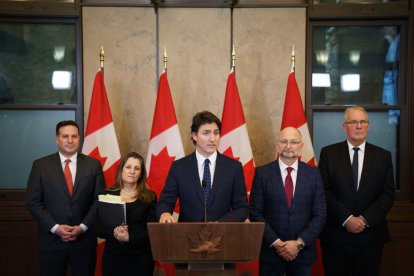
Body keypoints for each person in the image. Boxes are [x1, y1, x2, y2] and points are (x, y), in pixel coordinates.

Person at [319, 106, 395, 276]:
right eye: (353, 122)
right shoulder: (328, 153)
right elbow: (324, 191)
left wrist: (364, 219)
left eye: (363, 122)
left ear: (368, 125)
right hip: (336, 236)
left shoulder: (383, 156)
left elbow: (388, 194)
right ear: (344, 127)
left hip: (371, 236)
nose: (359, 126)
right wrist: (346, 219)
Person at [26, 120, 105, 276]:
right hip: (51, 242)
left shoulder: (93, 165)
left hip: (84, 242)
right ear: (57, 139)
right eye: (65, 136)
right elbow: (33, 202)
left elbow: (100, 200)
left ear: (79, 138)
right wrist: (55, 228)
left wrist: (82, 227)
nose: (70, 140)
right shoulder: (41, 166)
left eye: (74, 136)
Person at [250, 126, 326, 276]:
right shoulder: (262, 173)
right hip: (270, 252)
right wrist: (277, 243)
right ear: (277, 144)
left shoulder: (314, 174)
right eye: (284, 141)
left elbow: (320, 214)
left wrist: (298, 244)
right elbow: (255, 213)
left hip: (303, 253)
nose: (288, 146)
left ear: (301, 146)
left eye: (294, 142)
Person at [156, 110, 248, 223]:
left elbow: (242, 208)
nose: (212, 139)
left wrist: (220, 224)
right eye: (206, 133)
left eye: (216, 133)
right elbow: (165, 201)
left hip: (223, 235)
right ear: (194, 135)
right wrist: (164, 213)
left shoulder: (234, 168)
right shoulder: (179, 167)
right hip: (187, 235)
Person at [93, 152, 157, 276]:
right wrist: (114, 232)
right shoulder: (107, 195)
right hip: (113, 258)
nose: (132, 171)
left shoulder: (150, 197)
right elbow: (96, 227)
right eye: (128, 167)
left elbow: (152, 230)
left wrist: (129, 238)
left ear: (141, 174)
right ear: (121, 170)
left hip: (141, 258)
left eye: (137, 168)